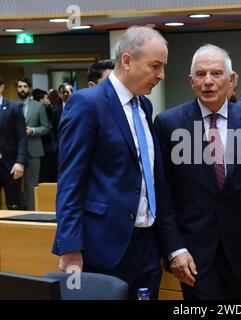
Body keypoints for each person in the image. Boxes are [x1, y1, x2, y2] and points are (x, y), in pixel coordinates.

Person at [154, 44, 241, 300]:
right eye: (201, 75)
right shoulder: (168, 124)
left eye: (216, 73)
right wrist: (174, 248)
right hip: (192, 257)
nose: (208, 82)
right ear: (191, 81)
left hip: (240, 254)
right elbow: (164, 194)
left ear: (232, 79)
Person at [52, 26, 169, 300]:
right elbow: (70, 182)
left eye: (162, 67)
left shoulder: (145, 107)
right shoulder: (86, 104)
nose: (161, 75)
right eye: (155, 66)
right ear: (127, 61)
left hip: (147, 243)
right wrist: (69, 247)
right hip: (103, 246)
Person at [16, 77, 50, 210]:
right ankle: (17, 213)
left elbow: (46, 127)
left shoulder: (38, 106)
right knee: (15, 186)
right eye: (19, 87)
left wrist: (33, 130)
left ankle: (31, 214)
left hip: (34, 150)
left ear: (29, 88)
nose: (22, 89)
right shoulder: (12, 105)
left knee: (31, 185)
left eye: (25, 86)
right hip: (16, 151)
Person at [0, 74, 26, 210]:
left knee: (14, 205)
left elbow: (22, 137)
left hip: (10, 165)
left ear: (2, 87)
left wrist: (20, 161)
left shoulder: (14, 107)